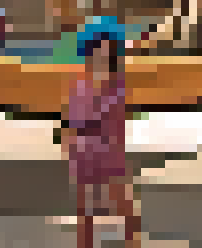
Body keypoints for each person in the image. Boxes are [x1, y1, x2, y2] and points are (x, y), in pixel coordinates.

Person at [59, 18, 139, 248]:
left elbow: (116, 121)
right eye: (97, 49)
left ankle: (132, 241)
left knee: (121, 201)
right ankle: (85, 243)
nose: (101, 55)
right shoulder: (81, 84)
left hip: (108, 151)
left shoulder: (117, 85)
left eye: (107, 50)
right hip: (84, 152)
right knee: (85, 207)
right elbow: (71, 120)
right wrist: (69, 143)